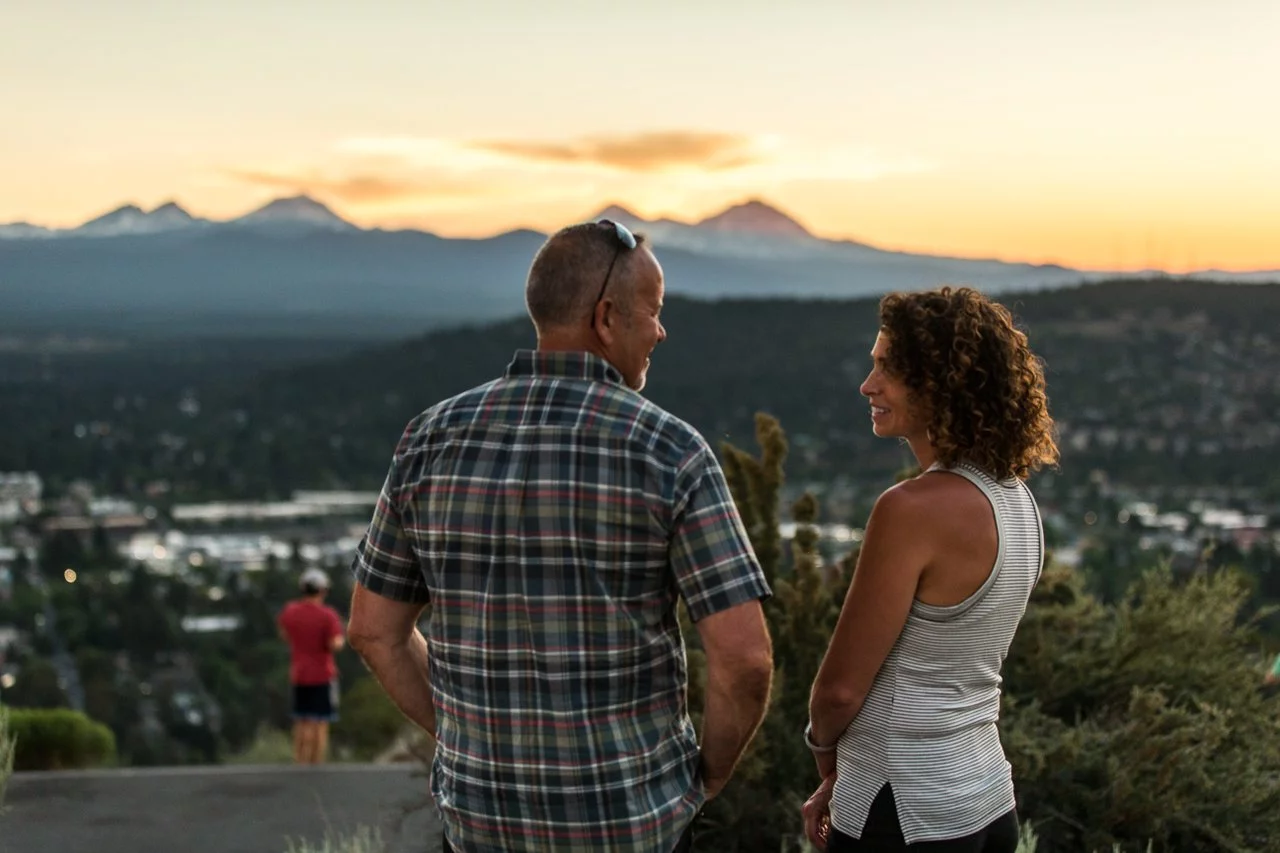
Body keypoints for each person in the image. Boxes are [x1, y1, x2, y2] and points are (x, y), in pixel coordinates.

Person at [346, 219, 775, 853]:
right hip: (631, 825)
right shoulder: (670, 451)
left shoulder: (430, 439)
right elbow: (745, 661)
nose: (661, 331)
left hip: (479, 824)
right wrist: (703, 780)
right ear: (606, 318)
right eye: (653, 313)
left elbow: (373, 632)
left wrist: (472, 738)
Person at [802, 286, 1059, 852]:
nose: (868, 385)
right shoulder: (1018, 503)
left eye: (888, 370)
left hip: (904, 809)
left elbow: (839, 691)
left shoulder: (909, 510)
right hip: (987, 801)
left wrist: (827, 758)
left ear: (941, 383)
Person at [277, 567, 345, 764]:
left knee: (301, 720)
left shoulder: (290, 611)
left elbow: (284, 634)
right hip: (323, 675)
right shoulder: (328, 615)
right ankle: (316, 764)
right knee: (320, 722)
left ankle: (299, 761)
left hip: (299, 674)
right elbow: (335, 644)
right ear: (323, 591)